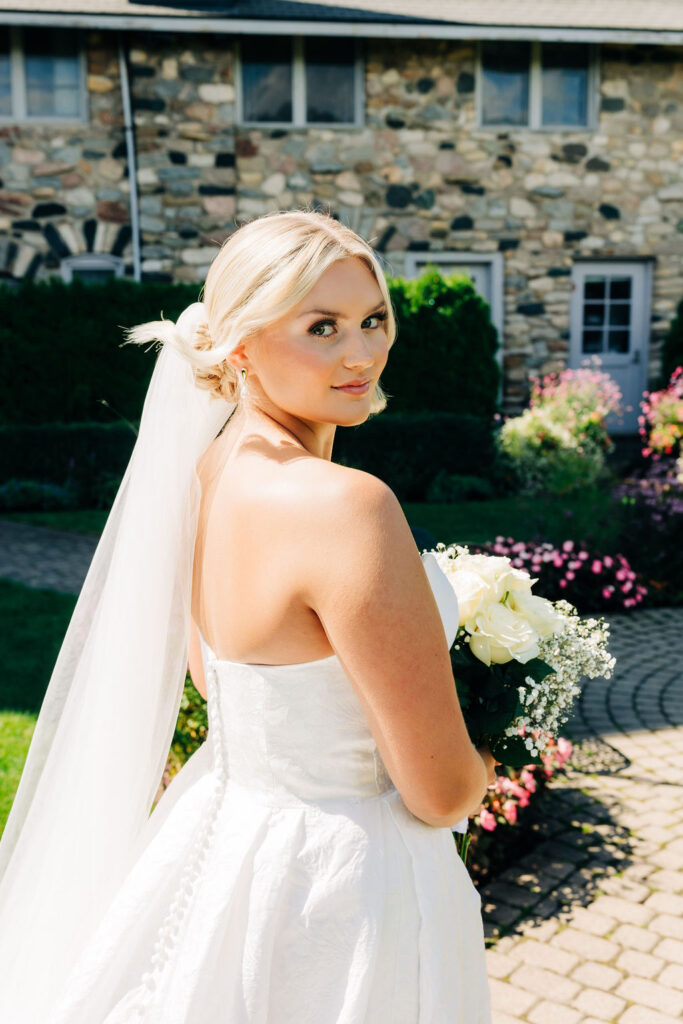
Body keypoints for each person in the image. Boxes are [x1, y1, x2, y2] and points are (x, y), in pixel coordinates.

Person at [0, 209, 495, 1022]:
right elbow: (439, 794)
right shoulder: (348, 507)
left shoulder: (206, 473)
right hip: (348, 884)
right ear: (237, 345)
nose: (362, 352)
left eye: (372, 320)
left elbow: (217, 674)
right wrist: (487, 746)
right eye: (321, 326)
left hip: (226, 841)